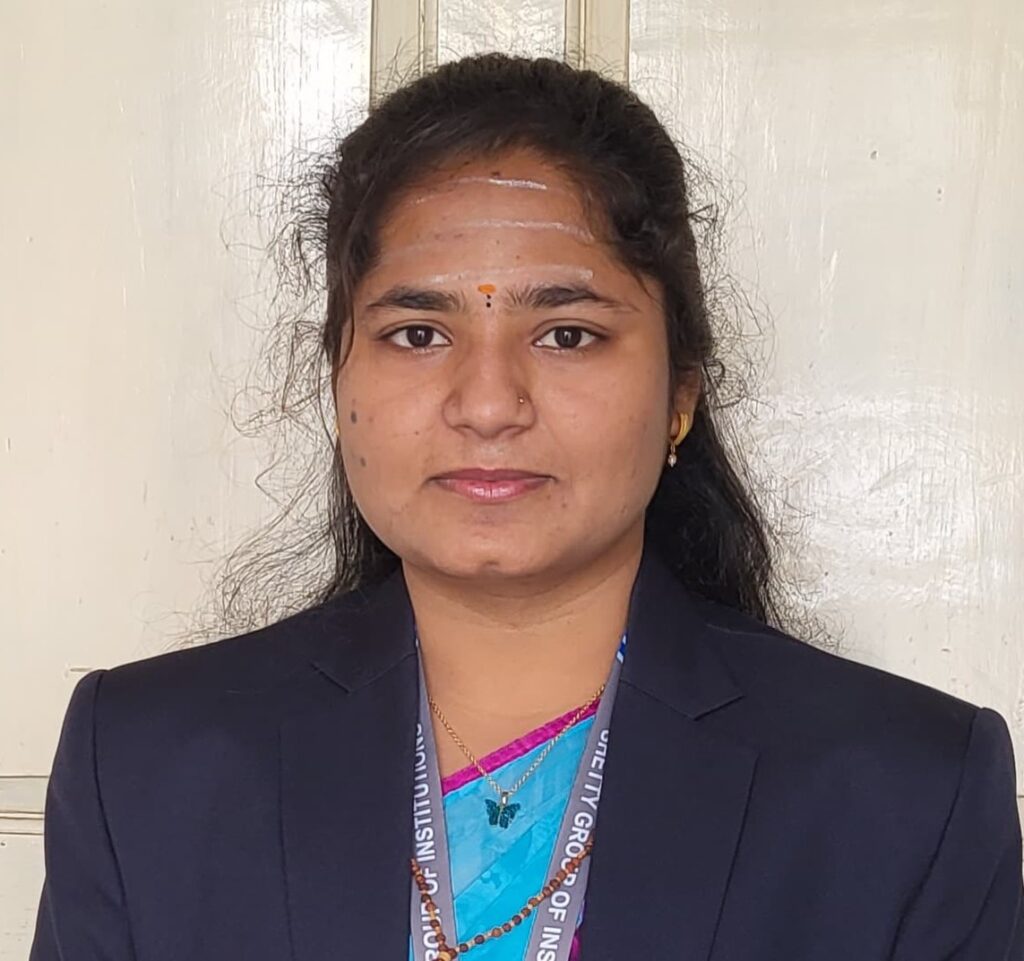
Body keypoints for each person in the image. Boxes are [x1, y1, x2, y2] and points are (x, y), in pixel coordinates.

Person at [30, 52, 1022, 961]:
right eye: (418, 333)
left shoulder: (904, 793)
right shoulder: (149, 767)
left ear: (679, 393)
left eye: (568, 335)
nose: (489, 404)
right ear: (338, 379)